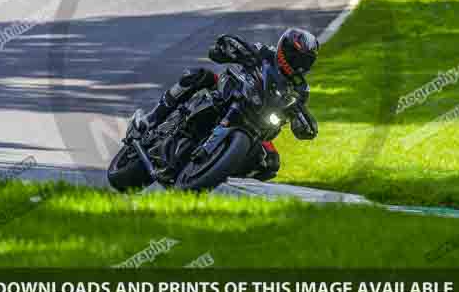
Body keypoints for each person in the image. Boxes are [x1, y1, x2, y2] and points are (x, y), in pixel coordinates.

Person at [132, 28, 320, 182]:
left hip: (258, 125)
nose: (298, 62)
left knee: (271, 164)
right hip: (231, 95)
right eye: (295, 55)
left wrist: (303, 123)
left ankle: (217, 176)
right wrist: (228, 48)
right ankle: (151, 119)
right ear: (284, 48)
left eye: (304, 60)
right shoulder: (264, 52)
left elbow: (302, 116)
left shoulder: (301, 89)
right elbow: (226, 47)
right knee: (200, 76)